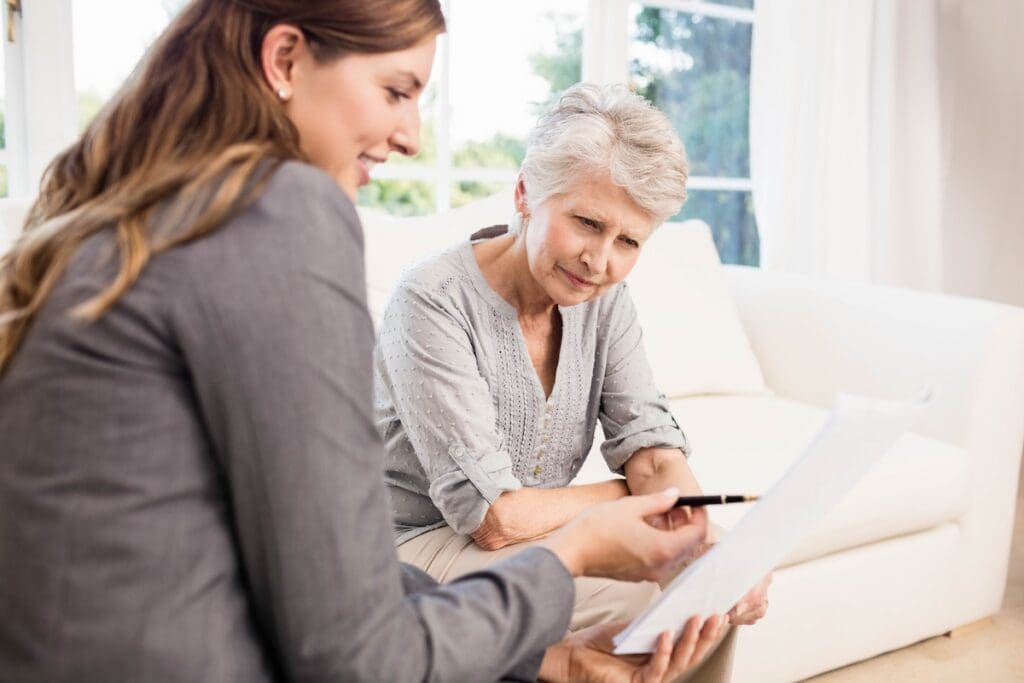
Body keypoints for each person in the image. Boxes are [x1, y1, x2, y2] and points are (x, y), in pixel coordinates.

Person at [0, 2, 723, 682]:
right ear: (285, 59)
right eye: (395, 90)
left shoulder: (149, 213)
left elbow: (305, 577)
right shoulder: (282, 212)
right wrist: (577, 547)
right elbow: (355, 655)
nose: (411, 136)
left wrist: (548, 658)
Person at [374, 83, 771, 676]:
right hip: (407, 552)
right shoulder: (432, 301)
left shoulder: (604, 302)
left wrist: (705, 537)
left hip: (534, 538)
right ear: (525, 193)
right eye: (587, 222)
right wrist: (635, 502)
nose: (600, 260)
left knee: (706, 590)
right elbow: (495, 519)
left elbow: (652, 449)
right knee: (633, 592)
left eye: (629, 241)